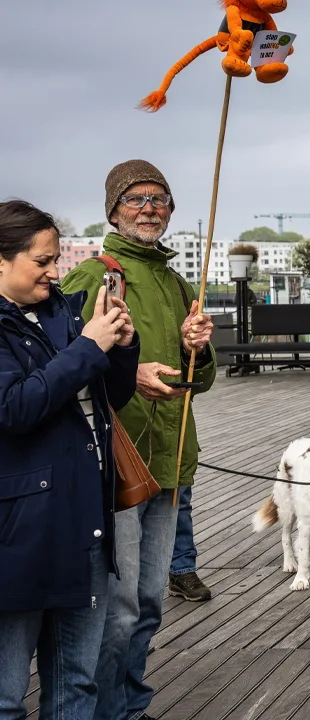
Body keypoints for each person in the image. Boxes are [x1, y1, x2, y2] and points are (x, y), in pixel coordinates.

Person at [59, 160, 216, 720]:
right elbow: (64, 368)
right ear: (113, 210)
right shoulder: (94, 277)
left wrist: (198, 345)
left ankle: (127, 707)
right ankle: (103, 712)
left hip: (172, 460)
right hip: (118, 464)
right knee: (120, 608)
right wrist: (129, 373)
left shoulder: (175, 281)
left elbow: (201, 377)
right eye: (136, 199)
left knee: (149, 604)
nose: (149, 208)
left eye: (160, 199)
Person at [0, 200, 139, 720]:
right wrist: (87, 347)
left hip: (83, 519)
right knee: (6, 697)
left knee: (77, 684)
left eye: (56, 258)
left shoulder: (62, 309)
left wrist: (120, 348)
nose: (55, 271)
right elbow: (14, 407)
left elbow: (108, 398)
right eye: (42, 261)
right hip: (19, 532)